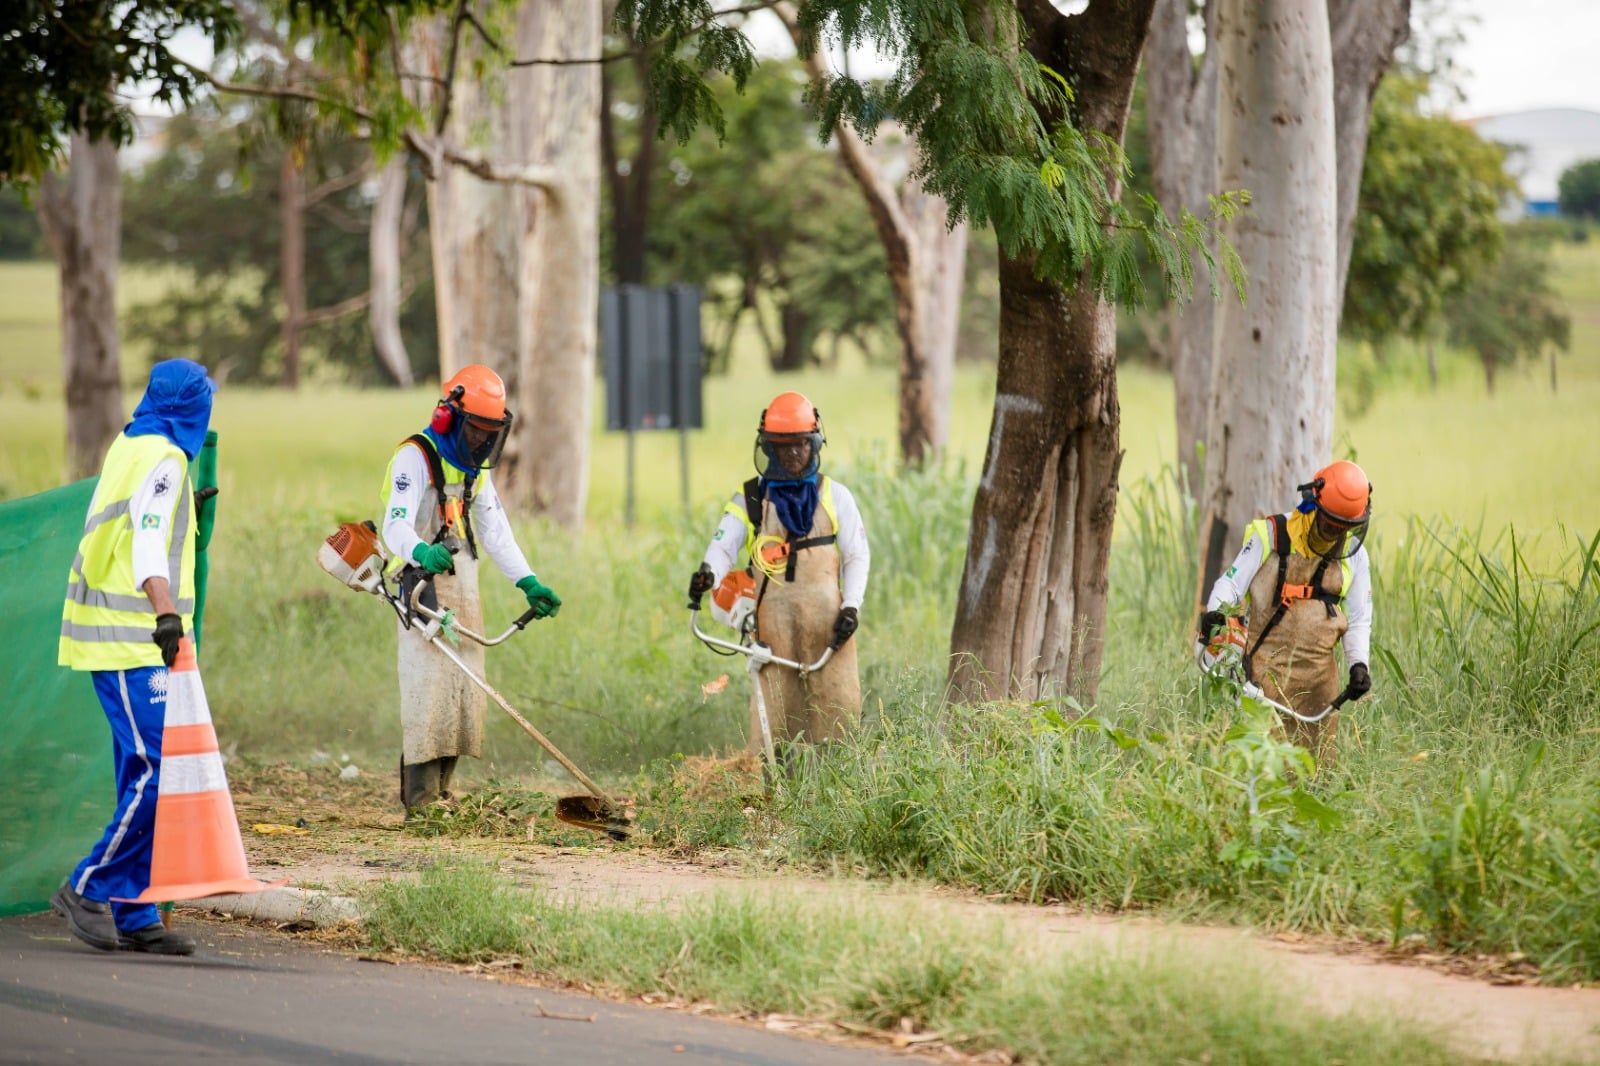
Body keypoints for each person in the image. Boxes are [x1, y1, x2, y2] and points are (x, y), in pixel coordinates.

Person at [53, 358, 219, 955]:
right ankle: (88, 885)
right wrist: (166, 615)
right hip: (131, 637)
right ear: (194, 410)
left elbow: (138, 524)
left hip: (119, 631)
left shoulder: (132, 441)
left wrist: (184, 510)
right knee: (160, 768)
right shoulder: (166, 459)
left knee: (142, 768)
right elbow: (148, 542)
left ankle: (135, 907)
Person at [380, 365, 561, 816]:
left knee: (462, 692)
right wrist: (422, 551)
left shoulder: (475, 470)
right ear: (450, 419)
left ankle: (443, 794)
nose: (482, 441)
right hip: (420, 586)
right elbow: (393, 526)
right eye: (476, 430)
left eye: (489, 433)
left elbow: (495, 532)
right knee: (428, 690)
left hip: (464, 585)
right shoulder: (415, 457)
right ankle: (420, 802)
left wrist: (527, 580)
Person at [686, 392, 870, 754]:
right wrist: (709, 572)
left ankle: (835, 794)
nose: (793, 454)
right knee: (774, 727)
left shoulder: (836, 496)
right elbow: (723, 545)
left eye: (800, 445)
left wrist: (851, 606)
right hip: (773, 632)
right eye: (783, 446)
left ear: (813, 444)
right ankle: (772, 799)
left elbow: (857, 555)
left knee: (836, 717)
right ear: (769, 448)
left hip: (828, 630)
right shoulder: (751, 499)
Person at [1199, 460, 1375, 763]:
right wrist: (1216, 615)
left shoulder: (1355, 558)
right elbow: (1229, 585)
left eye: (1345, 528)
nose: (1336, 534)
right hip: (1261, 678)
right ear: (1313, 506)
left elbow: (1359, 620)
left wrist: (1358, 665)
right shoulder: (1272, 535)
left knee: (1314, 773)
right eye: (1331, 524)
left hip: (1320, 688)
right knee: (1257, 769)